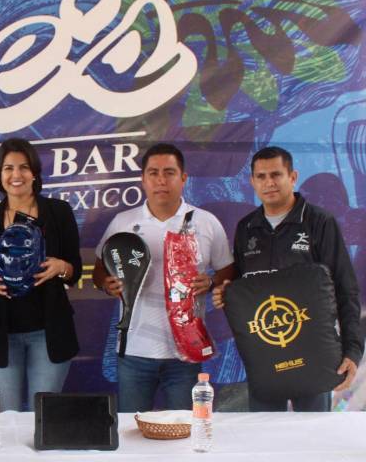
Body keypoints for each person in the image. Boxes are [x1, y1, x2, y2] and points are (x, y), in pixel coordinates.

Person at [213, 146, 362, 411]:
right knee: (266, 433)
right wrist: (226, 291)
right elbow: (245, 288)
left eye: (276, 175)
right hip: (265, 355)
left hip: (314, 353)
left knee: (313, 433)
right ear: (252, 182)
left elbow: (345, 288)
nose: (269, 183)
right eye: (261, 176)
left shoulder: (319, 222)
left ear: (292, 177)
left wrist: (352, 350)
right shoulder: (246, 227)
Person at [92, 143, 234, 413]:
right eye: (153, 173)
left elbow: (228, 271)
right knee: (131, 429)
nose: (161, 180)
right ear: (143, 179)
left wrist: (211, 282)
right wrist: (106, 284)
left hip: (185, 351)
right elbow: (99, 269)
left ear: (183, 178)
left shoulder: (206, 222)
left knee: (183, 431)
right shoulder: (123, 222)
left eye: (169, 173)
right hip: (134, 351)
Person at [0, 138, 81, 412]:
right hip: (1, 333)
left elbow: (75, 270)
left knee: (42, 415)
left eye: (23, 167)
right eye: (8, 168)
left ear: (34, 172)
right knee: (6, 417)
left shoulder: (59, 212)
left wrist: (61, 266)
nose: (16, 175)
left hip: (49, 331)